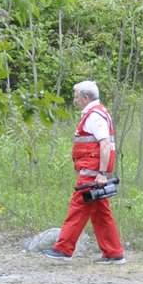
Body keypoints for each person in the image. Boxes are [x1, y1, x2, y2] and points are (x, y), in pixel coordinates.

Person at [44, 80, 126, 263]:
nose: (74, 100)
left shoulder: (94, 116)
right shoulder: (98, 113)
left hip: (91, 174)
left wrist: (102, 174)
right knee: (100, 214)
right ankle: (114, 253)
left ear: (86, 98)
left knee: (77, 208)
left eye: (76, 97)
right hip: (93, 173)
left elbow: (105, 145)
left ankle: (63, 249)